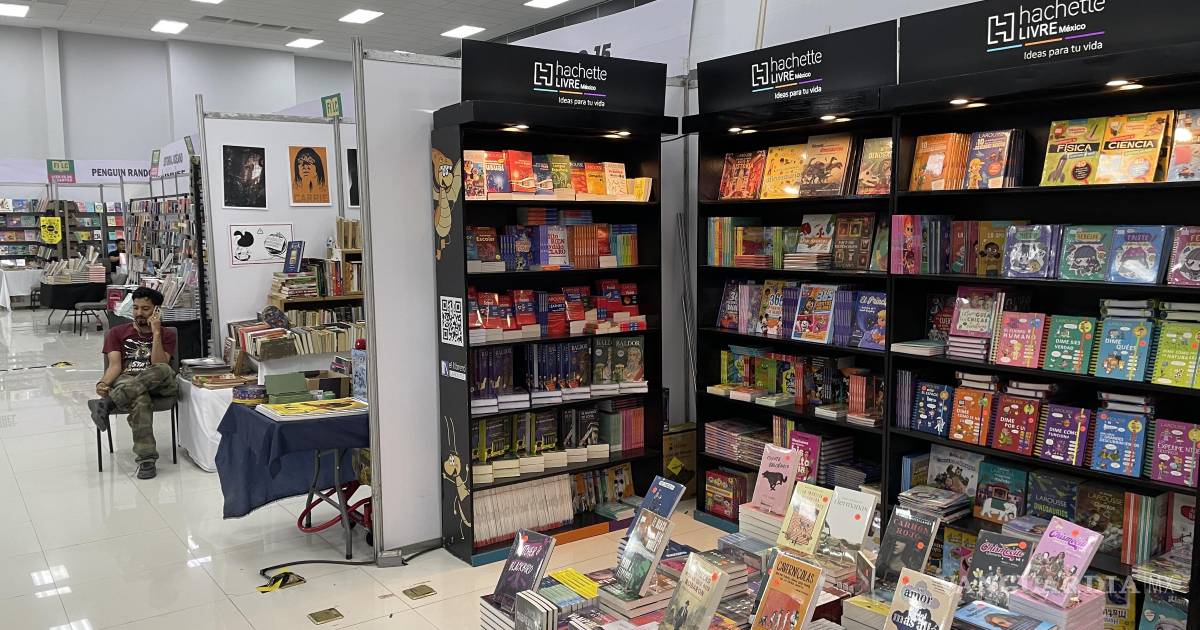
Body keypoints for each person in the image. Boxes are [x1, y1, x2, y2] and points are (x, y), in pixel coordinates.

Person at [88, 287, 178, 479]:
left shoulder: (167, 334)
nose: (138, 313)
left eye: (145, 309)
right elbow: (114, 366)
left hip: (160, 383)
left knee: (163, 369)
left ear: (156, 311)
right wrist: (103, 383)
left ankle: (108, 403)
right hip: (128, 380)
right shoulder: (116, 333)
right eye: (136, 308)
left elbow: (160, 363)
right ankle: (146, 460)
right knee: (140, 398)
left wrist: (156, 333)